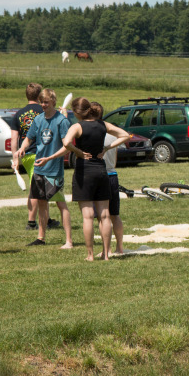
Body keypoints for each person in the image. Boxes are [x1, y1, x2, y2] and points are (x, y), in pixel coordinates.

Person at [61, 98, 130, 261]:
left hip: (84, 172)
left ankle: (90, 255)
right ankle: (106, 254)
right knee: (105, 215)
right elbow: (125, 135)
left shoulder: (77, 126)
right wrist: (107, 148)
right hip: (101, 170)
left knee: (88, 216)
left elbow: (65, 142)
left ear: (77, 112)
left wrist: (77, 152)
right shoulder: (102, 125)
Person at [14, 88, 74, 249]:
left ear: (54, 101)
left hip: (54, 170)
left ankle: (69, 240)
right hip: (39, 169)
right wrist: (22, 148)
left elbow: (67, 147)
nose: (43, 105)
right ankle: (41, 237)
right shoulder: (38, 119)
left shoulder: (62, 121)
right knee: (41, 203)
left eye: (46, 102)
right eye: (41, 102)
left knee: (61, 204)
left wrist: (50, 158)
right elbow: (29, 138)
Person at [10, 82, 46, 230]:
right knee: (36, 188)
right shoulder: (45, 110)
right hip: (41, 154)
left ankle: (46, 219)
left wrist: (16, 158)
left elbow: (14, 139)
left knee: (41, 187)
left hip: (26, 154)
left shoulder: (18, 114)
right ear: (39, 96)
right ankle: (31, 222)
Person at [96, 103, 126, 256]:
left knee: (103, 217)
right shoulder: (112, 135)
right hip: (113, 175)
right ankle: (119, 247)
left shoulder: (94, 135)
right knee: (115, 215)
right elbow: (115, 159)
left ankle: (105, 250)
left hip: (100, 176)